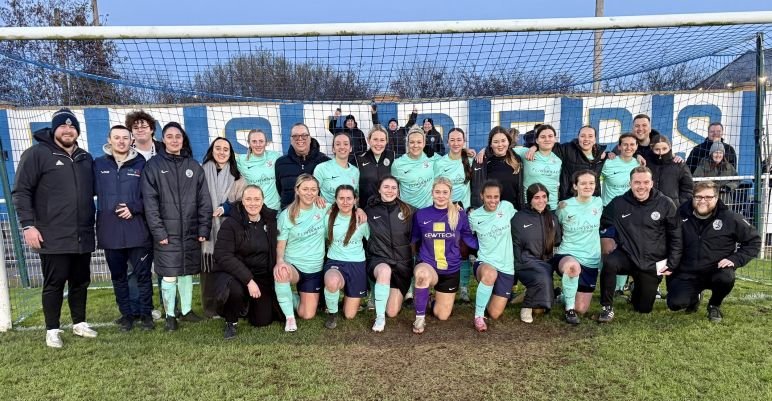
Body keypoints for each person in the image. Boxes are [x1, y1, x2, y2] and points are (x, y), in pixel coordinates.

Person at [13, 108, 98, 348]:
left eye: (72, 127)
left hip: (82, 233)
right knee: (55, 282)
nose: (67, 130)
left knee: (81, 281)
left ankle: (79, 323)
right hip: (52, 234)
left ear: (77, 131)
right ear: (54, 129)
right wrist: (28, 225)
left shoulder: (85, 157)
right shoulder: (37, 154)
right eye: (63, 126)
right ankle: (52, 329)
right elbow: (21, 191)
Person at [142, 122, 213, 331]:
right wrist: (158, 231)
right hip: (167, 233)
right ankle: (170, 316)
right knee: (170, 274)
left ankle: (187, 311)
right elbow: (150, 203)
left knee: (187, 272)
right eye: (170, 136)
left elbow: (204, 201)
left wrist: (203, 228)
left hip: (191, 232)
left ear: (183, 140)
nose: (174, 140)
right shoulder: (153, 166)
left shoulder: (193, 166)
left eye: (178, 136)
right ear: (163, 140)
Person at [667, 181, 760, 322]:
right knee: (675, 304)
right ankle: (694, 298)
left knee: (726, 277)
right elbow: (668, 238)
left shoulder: (730, 218)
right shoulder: (680, 214)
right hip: (688, 271)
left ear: (716, 198)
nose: (702, 201)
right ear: (693, 197)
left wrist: (735, 260)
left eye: (708, 197)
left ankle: (714, 305)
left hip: (716, 270)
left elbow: (754, 241)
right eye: (698, 197)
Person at [598, 166, 682, 322]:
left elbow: (676, 236)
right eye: (637, 182)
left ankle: (636, 291)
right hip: (627, 256)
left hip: (652, 261)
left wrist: (672, 262)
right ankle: (606, 307)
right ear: (630, 183)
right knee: (609, 262)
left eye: (645, 182)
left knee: (643, 308)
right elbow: (604, 222)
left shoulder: (665, 204)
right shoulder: (619, 203)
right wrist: (608, 238)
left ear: (651, 183)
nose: (641, 186)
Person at [93, 125, 154, 331]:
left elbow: (151, 197)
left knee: (143, 276)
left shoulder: (141, 164)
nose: (121, 141)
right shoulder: (98, 164)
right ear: (109, 140)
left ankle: (146, 315)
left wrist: (133, 208)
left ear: (131, 141)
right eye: (117, 138)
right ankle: (126, 315)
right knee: (119, 277)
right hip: (110, 233)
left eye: (125, 138)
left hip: (137, 232)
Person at [208, 185, 281, 340]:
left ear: (263, 201)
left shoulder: (271, 222)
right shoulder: (230, 224)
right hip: (235, 274)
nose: (252, 203)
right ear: (242, 201)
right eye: (248, 199)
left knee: (262, 321)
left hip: (261, 275)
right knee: (234, 290)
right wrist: (248, 280)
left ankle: (247, 306)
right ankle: (231, 320)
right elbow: (222, 255)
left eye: (257, 199)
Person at [411, 177, 478, 334]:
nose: (441, 196)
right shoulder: (421, 214)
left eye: (445, 192)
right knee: (422, 275)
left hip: (450, 269)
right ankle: (419, 318)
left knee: (442, 315)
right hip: (428, 264)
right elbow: (414, 239)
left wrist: (486, 248)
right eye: (437, 192)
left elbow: (468, 237)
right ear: (432, 193)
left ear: (450, 194)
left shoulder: (459, 215)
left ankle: (430, 300)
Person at [273, 174, 328, 332]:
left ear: (318, 191)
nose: (309, 193)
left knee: (307, 314)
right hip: (294, 266)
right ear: (297, 190)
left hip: (314, 269)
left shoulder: (324, 207)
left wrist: (359, 210)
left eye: (313, 189)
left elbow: (345, 205)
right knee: (281, 272)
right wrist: (280, 262)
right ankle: (289, 318)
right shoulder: (286, 215)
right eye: (305, 189)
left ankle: (288, 298)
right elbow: (280, 245)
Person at [201, 137, 246, 317]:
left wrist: (225, 207)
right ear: (212, 150)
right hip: (206, 229)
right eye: (217, 148)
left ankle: (232, 305)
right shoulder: (201, 171)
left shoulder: (238, 176)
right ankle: (210, 308)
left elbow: (243, 202)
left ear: (230, 153)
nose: (221, 152)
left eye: (225, 149)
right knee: (208, 269)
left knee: (231, 268)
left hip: (229, 229)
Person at [552, 170, 603, 325]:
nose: (588, 186)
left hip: (591, 259)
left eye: (591, 183)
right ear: (575, 186)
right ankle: (569, 309)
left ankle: (561, 295)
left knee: (582, 308)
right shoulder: (564, 206)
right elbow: (554, 226)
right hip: (568, 254)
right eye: (583, 183)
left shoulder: (599, 203)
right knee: (572, 267)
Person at [364, 176, 415, 332]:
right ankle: (379, 318)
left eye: (394, 187)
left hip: (402, 265)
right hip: (379, 260)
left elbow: (430, 217)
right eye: (386, 187)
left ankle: (382, 296)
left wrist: (455, 208)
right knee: (384, 270)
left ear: (398, 190)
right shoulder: (368, 211)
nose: (390, 191)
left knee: (392, 312)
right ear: (379, 189)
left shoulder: (408, 210)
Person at [469, 181, 517, 331]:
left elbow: (523, 219)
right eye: (489, 196)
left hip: (506, 266)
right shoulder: (474, 216)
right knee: (490, 274)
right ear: (482, 196)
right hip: (485, 262)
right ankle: (478, 316)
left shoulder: (507, 207)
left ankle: (487, 293)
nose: (493, 200)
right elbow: (465, 235)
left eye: (496, 196)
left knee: (495, 313)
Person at [434, 128, 474, 302]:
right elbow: (436, 188)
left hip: (464, 212)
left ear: (464, 141)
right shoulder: (440, 163)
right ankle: (441, 287)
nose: (456, 143)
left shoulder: (471, 159)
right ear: (447, 142)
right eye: (452, 140)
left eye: (459, 140)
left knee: (464, 251)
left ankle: (464, 287)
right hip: (445, 211)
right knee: (445, 250)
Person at [322, 185, 370, 329]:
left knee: (349, 315)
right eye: (341, 198)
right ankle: (332, 314)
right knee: (331, 281)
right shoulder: (328, 218)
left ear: (355, 200)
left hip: (357, 264)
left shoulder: (362, 219)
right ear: (335, 200)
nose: (345, 202)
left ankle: (341, 298)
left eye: (349, 198)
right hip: (335, 262)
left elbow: (371, 240)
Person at [513, 184, 561, 323]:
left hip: (546, 263)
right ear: (530, 199)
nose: (541, 201)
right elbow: (515, 244)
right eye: (537, 197)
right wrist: (518, 263)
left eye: (544, 197)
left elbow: (557, 241)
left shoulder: (552, 218)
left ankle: (531, 291)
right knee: (542, 277)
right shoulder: (519, 218)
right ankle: (526, 305)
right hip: (525, 261)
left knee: (540, 310)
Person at [600, 133, 641, 294]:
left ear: (636, 147)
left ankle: (620, 288)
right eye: (625, 144)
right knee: (607, 250)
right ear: (619, 146)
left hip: (631, 214)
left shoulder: (639, 164)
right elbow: (596, 180)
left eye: (632, 144)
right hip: (610, 214)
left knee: (627, 247)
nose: (628, 147)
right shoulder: (609, 163)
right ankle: (606, 283)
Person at [524, 125, 606, 201]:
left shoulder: (601, 155)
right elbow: (547, 144)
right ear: (578, 138)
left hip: (592, 201)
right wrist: (534, 147)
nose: (586, 139)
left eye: (590, 136)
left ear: (595, 140)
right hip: (569, 201)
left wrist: (608, 154)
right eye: (582, 136)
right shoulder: (567, 149)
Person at [275, 123, 330, 209]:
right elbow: (279, 190)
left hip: (316, 217)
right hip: (288, 217)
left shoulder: (325, 161)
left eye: (304, 135)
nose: (300, 139)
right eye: (295, 136)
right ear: (291, 140)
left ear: (310, 138)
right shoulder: (280, 163)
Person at [470, 126, 524, 210]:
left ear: (508, 142)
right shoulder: (481, 162)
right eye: (496, 142)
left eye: (503, 141)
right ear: (490, 144)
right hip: (491, 214)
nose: (500, 145)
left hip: (513, 212)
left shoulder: (518, 159)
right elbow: (475, 190)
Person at [515, 124, 562, 210]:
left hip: (551, 207)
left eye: (550, 136)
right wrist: (485, 151)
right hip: (530, 205)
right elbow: (504, 149)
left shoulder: (558, 160)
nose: (547, 139)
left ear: (555, 139)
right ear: (537, 140)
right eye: (543, 137)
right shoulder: (526, 153)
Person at [392, 127, 437, 209]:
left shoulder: (432, 158)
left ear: (424, 143)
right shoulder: (397, 164)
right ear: (407, 144)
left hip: (427, 210)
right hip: (407, 211)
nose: (415, 145)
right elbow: (393, 187)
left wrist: (464, 151)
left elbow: (451, 158)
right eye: (412, 142)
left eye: (419, 142)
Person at [237, 129, 282, 210]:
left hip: (275, 209)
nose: (258, 144)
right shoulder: (241, 161)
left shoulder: (275, 157)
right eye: (254, 141)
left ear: (266, 142)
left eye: (261, 141)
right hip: (255, 209)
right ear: (249, 143)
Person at [351, 126, 395, 209]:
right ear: (368, 140)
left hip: (389, 209)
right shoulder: (358, 159)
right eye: (375, 139)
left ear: (386, 141)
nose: (378, 143)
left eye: (382, 140)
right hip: (366, 210)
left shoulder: (393, 156)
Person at [648, 134, 693, 207]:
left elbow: (688, 189)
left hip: (673, 209)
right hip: (650, 209)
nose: (661, 152)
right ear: (652, 148)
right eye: (657, 149)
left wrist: (681, 206)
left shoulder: (679, 164)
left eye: (664, 149)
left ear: (670, 147)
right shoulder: (646, 164)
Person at [314, 132, 359, 203]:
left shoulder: (356, 171)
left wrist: (357, 208)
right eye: (338, 144)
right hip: (327, 212)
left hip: (348, 213)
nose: (342, 147)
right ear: (333, 149)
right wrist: (317, 198)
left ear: (350, 148)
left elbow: (356, 197)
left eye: (346, 144)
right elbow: (312, 192)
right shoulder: (321, 168)